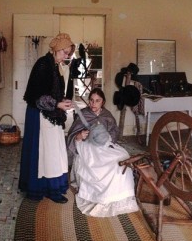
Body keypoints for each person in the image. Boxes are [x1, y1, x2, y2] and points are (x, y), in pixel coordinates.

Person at [19, 33, 75, 203]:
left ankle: (52, 187)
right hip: (41, 115)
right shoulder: (43, 65)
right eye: (65, 52)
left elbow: (54, 93)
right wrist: (57, 104)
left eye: (68, 53)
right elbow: (37, 96)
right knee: (46, 153)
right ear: (57, 50)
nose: (67, 56)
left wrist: (62, 101)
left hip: (51, 114)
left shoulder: (55, 66)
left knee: (55, 151)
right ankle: (47, 189)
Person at [66, 88, 139, 217]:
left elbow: (114, 132)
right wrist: (79, 135)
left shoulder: (107, 115)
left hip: (105, 144)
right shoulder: (83, 114)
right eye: (91, 100)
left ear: (103, 102)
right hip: (87, 145)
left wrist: (107, 139)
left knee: (122, 157)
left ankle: (120, 195)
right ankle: (100, 196)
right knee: (100, 163)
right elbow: (72, 135)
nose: (93, 104)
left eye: (97, 101)